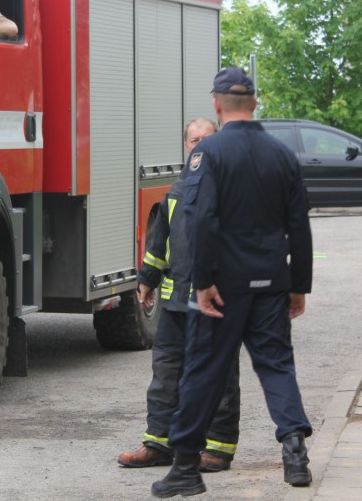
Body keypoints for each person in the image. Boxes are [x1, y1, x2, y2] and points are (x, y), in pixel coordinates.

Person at [151, 66, 314, 498]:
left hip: (222, 288)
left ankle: (185, 469)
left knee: (202, 372)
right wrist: (298, 285)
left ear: (218, 105)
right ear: (255, 104)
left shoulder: (209, 154)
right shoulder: (282, 155)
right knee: (276, 365)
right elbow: (299, 226)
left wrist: (201, 281)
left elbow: (200, 219)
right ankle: (294, 451)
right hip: (272, 284)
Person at [118, 118, 242, 474]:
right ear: (186, 146)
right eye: (193, 140)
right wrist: (147, 279)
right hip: (175, 303)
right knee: (166, 373)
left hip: (217, 301)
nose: (199, 144)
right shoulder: (176, 190)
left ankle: (217, 449)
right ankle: (159, 443)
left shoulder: (233, 190)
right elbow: (160, 242)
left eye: (206, 138)